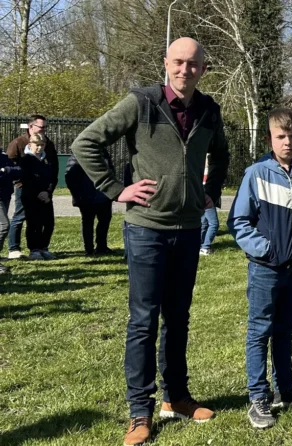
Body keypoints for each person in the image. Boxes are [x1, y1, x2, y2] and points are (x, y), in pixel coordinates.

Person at [71, 37, 230, 446]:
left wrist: (206, 190)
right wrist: (113, 188)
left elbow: (222, 153)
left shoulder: (209, 110)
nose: (184, 70)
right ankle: (139, 410)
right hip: (146, 229)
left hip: (189, 228)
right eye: (177, 62)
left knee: (178, 318)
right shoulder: (140, 103)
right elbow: (85, 142)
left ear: (203, 69)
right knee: (143, 321)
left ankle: (176, 398)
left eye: (193, 64)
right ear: (166, 63)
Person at [228, 108, 292, 429]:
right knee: (259, 331)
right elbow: (238, 222)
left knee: (285, 331)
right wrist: (266, 250)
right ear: (270, 138)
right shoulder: (256, 174)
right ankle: (258, 397)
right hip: (266, 269)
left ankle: (287, 390)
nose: (288, 142)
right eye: (281, 136)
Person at [6, 114, 52, 259]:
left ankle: (40, 247)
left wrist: (48, 190)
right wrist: (19, 184)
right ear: (31, 126)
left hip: (44, 190)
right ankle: (14, 248)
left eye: (45, 127)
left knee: (43, 220)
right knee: (20, 217)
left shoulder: (47, 143)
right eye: (41, 127)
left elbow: (53, 167)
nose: (44, 129)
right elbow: (11, 165)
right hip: (24, 188)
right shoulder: (18, 142)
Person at [65, 150, 115, 256]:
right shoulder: (78, 153)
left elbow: (111, 171)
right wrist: (78, 195)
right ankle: (89, 249)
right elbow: (70, 177)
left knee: (104, 220)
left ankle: (102, 246)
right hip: (86, 195)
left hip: (103, 194)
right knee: (88, 222)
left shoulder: (104, 153)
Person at [17, 134, 56, 260]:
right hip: (31, 196)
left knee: (49, 223)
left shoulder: (47, 159)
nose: (39, 148)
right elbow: (26, 179)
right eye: (37, 145)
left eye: (42, 145)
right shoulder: (26, 159)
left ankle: (43, 247)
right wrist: (38, 193)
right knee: (34, 224)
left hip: (46, 196)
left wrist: (48, 192)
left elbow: (52, 177)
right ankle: (34, 249)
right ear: (30, 145)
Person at [0, 152, 21, 273]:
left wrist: (4, 170)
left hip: (5, 195)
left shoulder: (3, 157)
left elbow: (17, 170)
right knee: (4, 226)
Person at [199, 157, 220, 256]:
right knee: (214, 223)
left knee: (204, 222)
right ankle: (205, 247)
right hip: (207, 196)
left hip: (202, 194)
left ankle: (200, 244)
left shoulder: (198, 166)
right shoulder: (209, 169)